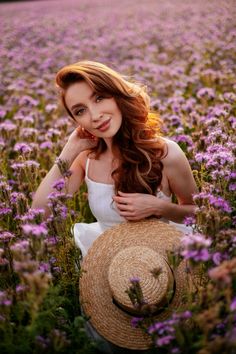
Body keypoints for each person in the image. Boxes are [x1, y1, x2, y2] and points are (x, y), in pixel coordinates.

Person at [32, 60, 198, 258]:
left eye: (99, 98)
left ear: (117, 93)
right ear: (76, 121)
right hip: (107, 264)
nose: (94, 116)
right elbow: (40, 214)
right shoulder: (86, 158)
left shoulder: (166, 153)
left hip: (163, 259)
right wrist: (69, 151)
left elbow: (198, 213)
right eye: (80, 111)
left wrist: (161, 207)